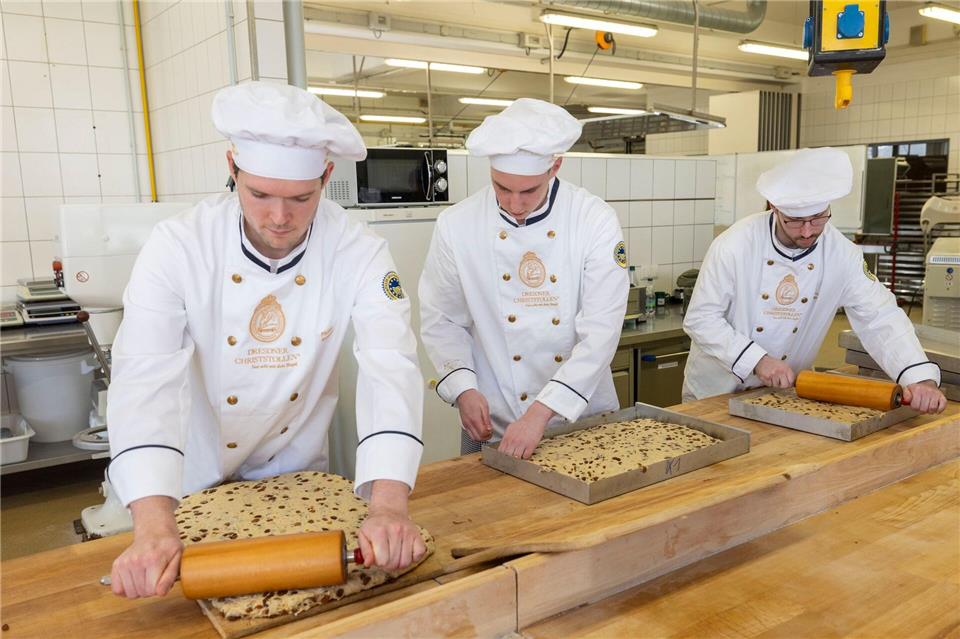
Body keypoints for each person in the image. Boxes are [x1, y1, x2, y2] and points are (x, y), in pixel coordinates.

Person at [106, 82, 427, 599]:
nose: (280, 218)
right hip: (194, 478)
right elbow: (145, 379)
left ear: (326, 177)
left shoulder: (358, 250)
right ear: (233, 168)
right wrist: (151, 526)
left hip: (296, 473)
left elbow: (390, 365)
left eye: (301, 199)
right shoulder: (179, 247)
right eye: (259, 195)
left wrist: (389, 504)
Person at [419, 98, 630, 459]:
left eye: (528, 191)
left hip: (579, 417)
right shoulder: (457, 224)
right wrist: (463, 388)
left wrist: (541, 411)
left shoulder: (593, 219)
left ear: (555, 167)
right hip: (495, 417)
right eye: (501, 188)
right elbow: (442, 320)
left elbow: (601, 331)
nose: (514, 204)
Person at [682, 147, 946, 414]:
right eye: (795, 221)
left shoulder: (841, 254)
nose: (808, 231)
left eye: (818, 218)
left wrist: (919, 378)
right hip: (714, 393)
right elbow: (701, 319)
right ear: (774, 208)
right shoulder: (734, 245)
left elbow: (879, 316)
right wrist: (757, 360)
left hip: (781, 396)